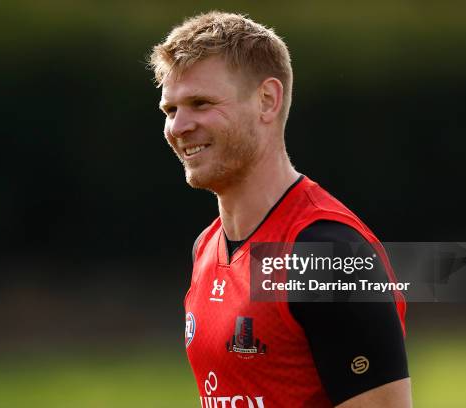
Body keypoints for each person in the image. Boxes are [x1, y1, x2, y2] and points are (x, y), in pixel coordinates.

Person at [149, 11, 411, 408]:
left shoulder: (328, 254)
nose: (178, 127)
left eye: (200, 103)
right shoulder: (206, 248)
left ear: (267, 101)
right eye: (170, 110)